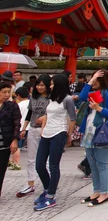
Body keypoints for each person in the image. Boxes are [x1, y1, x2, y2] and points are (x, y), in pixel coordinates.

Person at [34, 73, 76, 211]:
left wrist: (68, 135)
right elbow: (47, 114)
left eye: (52, 83)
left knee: (53, 165)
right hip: (46, 133)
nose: (49, 85)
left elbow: (73, 118)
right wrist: (43, 126)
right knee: (39, 165)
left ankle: (51, 197)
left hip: (58, 133)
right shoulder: (50, 98)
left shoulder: (68, 99)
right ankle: (47, 189)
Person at [77, 70, 108, 207]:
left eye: (95, 80)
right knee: (92, 164)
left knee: (101, 164)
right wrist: (90, 81)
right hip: (89, 131)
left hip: (102, 132)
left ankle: (104, 193)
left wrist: (99, 108)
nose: (93, 82)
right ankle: (96, 191)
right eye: (92, 79)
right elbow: (82, 96)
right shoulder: (93, 93)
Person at [16, 74, 50, 198]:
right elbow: (29, 114)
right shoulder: (33, 98)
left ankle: (49, 185)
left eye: (42, 85)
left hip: (46, 131)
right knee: (31, 159)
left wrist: (45, 119)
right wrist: (24, 128)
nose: (40, 87)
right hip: (33, 129)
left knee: (45, 160)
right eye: (38, 85)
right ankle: (30, 184)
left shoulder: (52, 99)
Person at [0, 81, 21, 198]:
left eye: (9, 92)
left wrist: (15, 140)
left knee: (1, 169)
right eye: (4, 92)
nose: (7, 94)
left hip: (5, 142)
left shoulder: (12, 106)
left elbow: (16, 124)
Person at [8, 86, 29, 171]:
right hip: (29, 127)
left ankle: (16, 163)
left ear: (18, 95)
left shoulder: (18, 105)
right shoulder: (30, 103)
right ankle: (12, 161)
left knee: (17, 146)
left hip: (20, 127)